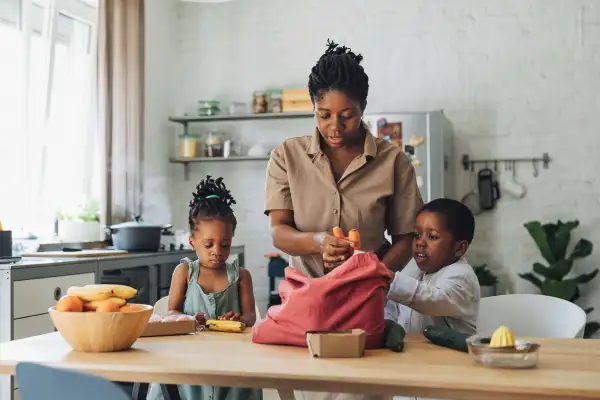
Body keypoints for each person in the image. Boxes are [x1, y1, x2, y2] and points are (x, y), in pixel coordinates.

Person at [265, 39, 423, 278]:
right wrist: (317, 241)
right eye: (324, 115)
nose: (335, 127)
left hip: (368, 296)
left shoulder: (393, 162)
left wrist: (375, 277)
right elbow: (279, 231)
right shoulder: (287, 157)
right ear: (313, 106)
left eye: (347, 115)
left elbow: (406, 239)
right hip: (306, 296)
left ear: (363, 107)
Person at [147, 175, 261, 400]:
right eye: (208, 244)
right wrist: (188, 320)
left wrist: (240, 320)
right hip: (190, 360)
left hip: (232, 362)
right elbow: (172, 311)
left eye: (225, 244)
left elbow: (251, 316)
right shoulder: (185, 273)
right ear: (192, 243)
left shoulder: (241, 276)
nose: (217, 250)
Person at [385, 198, 480, 336]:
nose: (420, 243)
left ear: (459, 248)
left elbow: (432, 299)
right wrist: (388, 325)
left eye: (432, 237)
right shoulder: (414, 267)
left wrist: (390, 279)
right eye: (417, 235)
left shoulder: (463, 277)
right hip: (412, 355)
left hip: (452, 356)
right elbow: (393, 307)